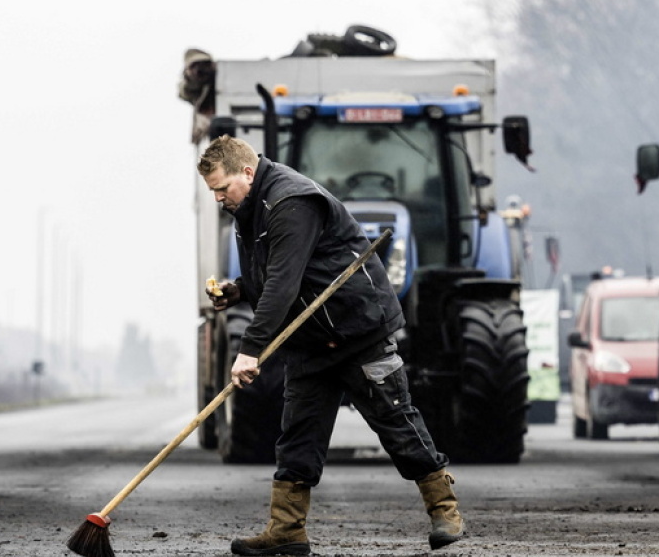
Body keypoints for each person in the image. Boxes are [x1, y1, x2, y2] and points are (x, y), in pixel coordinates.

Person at [197, 135, 463, 556]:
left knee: (395, 421)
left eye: (221, 188)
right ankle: (286, 530)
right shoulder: (246, 210)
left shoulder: (291, 202)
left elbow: (284, 283)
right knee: (298, 435)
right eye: (211, 191)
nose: (217, 198)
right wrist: (239, 290)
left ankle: (445, 510)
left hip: (358, 330)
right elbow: (273, 276)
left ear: (247, 173)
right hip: (310, 339)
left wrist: (250, 349)